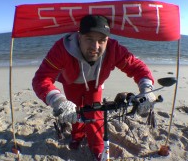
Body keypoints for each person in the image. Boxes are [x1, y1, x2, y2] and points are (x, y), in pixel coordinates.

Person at [32, 14, 156, 160]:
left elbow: (137, 67)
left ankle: (97, 147)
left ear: (107, 40)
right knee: (74, 111)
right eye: (89, 39)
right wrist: (58, 101)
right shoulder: (62, 48)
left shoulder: (113, 48)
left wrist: (146, 89)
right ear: (79, 37)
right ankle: (77, 135)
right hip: (71, 82)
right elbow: (41, 78)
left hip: (96, 82)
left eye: (102, 40)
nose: (95, 47)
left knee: (96, 114)